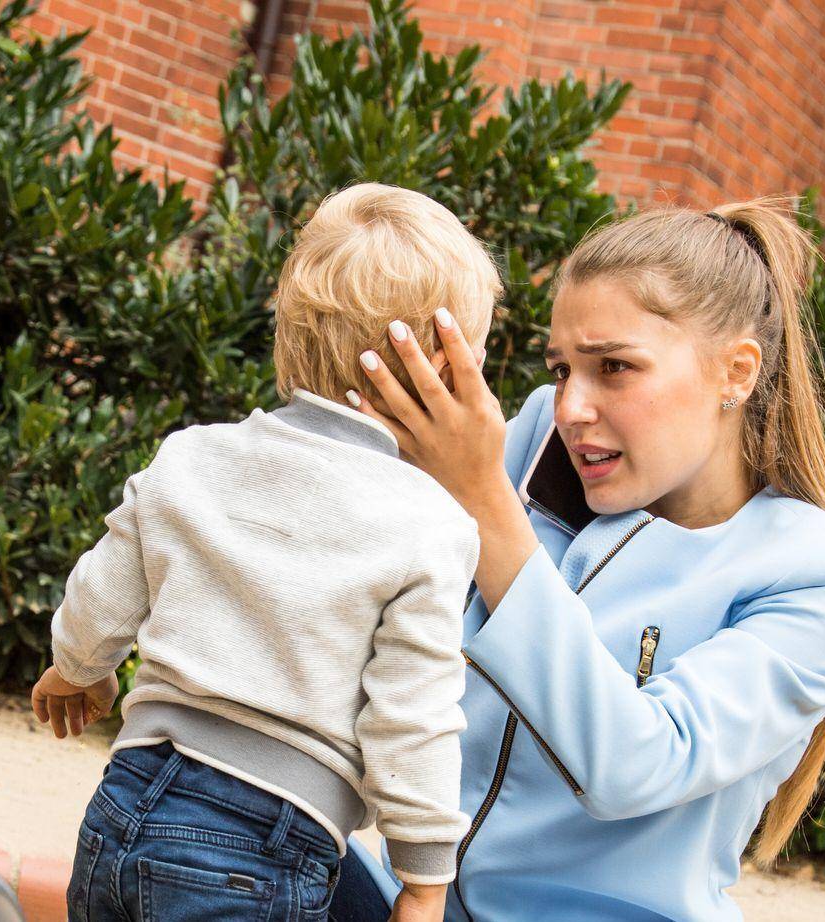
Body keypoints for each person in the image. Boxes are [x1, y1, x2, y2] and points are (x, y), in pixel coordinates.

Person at [338, 197, 825, 921]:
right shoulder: (539, 441)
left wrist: (485, 502)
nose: (571, 405)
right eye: (563, 369)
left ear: (737, 372)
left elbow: (636, 764)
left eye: (616, 368)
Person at [29, 183, 501, 922]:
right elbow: (412, 715)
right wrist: (424, 878)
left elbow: (105, 586)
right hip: (262, 847)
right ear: (439, 372)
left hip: (121, 807)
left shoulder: (193, 457)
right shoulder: (431, 526)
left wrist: (75, 669)